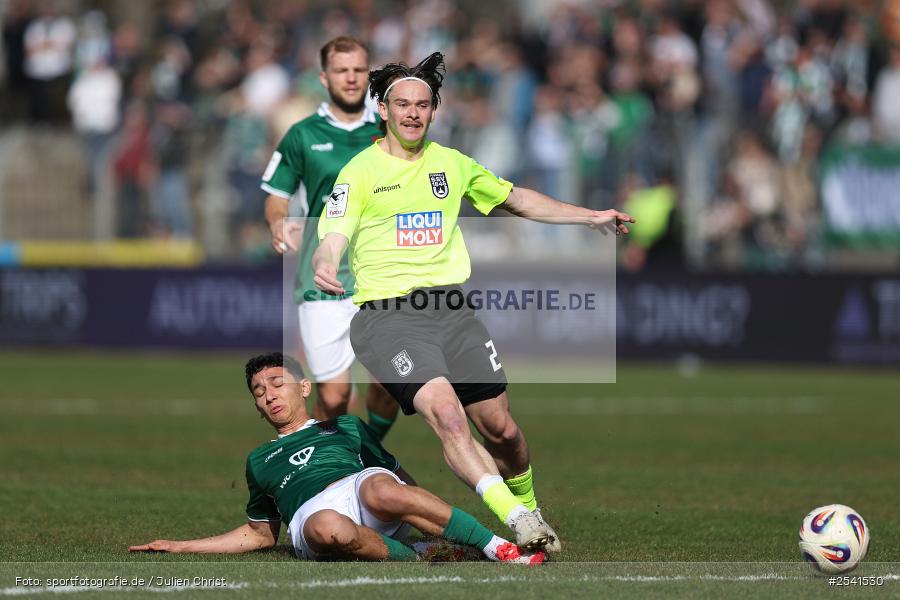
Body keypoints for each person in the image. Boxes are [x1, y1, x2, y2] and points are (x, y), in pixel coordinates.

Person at [312, 52, 635, 552]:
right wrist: (326, 260)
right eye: (403, 104)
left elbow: (517, 199)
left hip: (452, 313)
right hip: (387, 318)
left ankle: (530, 505)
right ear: (384, 110)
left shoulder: (452, 164)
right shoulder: (359, 172)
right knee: (447, 415)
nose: (413, 113)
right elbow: (333, 232)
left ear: (433, 111)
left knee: (501, 430)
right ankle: (518, 520)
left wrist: (589, 216)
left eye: (422, 105)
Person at [129, 353, 545, 565]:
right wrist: (180, 546)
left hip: (363, 492)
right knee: (329, 527)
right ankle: (420, 554)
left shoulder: (346, 426)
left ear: (303, 387)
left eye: (277, 383)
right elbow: (260, 535)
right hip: (312, 516)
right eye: (259, 391)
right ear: (256, 406)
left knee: (382, 487)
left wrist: (433, 519)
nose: (269, 395)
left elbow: (402, 480)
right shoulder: (259, 459)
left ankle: (498, 548)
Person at [262, 36, 397, 440]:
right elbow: (276, 196)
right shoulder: (303, 134)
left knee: (391, 385)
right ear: (324, 77)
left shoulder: (390, 128)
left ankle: (365, 452)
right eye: (341, 70)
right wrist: (278, 222)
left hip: (383, 277)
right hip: (322, 279)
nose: (351, 78)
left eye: (358, 70)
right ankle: (335, 460)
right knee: (335, 397)